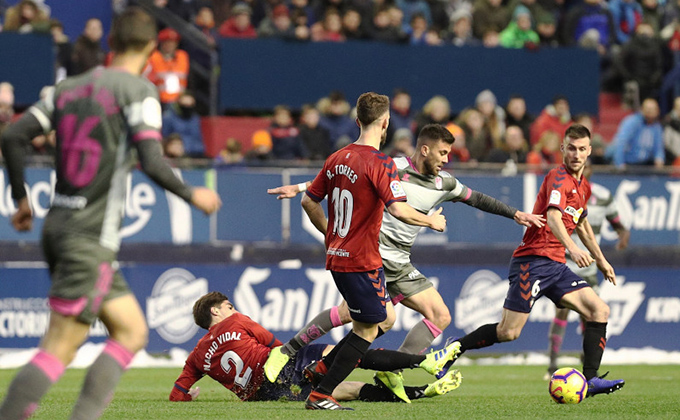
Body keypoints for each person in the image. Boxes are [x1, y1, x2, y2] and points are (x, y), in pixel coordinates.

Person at [0, 8, 222, 420]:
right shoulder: (138, 92)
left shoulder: (67, 88)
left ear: (111, 43)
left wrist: (22, 199)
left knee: (132, 331)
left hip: (59, 224)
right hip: (88, 236)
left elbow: (13, 135)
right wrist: (194, 195)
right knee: (59, 348)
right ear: (152, 48)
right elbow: (153, 162)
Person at [265, 123, 544, 403]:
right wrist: (301, 187)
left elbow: (478, 199)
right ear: (425, 149)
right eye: (443, 152)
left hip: (400, 262)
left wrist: (516, 214)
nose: (447, 159)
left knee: (439, 315)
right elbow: (345, 174)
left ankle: (389, 370)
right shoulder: (392, 165)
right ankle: (290, 350)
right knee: (359, 317)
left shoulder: (444, 183)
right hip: (372, 254)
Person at [266, 93, 452, 410]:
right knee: (368, 329)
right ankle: (321, 393)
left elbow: (309, 201)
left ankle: (320, 371)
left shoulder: (337, 157)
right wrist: (430, 220)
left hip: (338, 257)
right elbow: (399, 210)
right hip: (362, 260)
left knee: (383, 319)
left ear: (357, 121)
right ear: (386, 123)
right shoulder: (379, 162)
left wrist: (331, 235)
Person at [444, 124, 625, 398]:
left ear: (589, 152)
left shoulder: (583, 186)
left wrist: (602, 260)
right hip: (533, 261)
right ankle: (454, 348)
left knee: (598, 311)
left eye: (581, 149)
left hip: (556, 266)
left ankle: (590, 379)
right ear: (563, 148)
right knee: (508, 332)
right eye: (571, 148)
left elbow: (583, 224)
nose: (576, 154)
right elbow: (553, 217)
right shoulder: (558, 177)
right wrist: (572, 249)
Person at [169, 292, 463, 404]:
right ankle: (422, 363)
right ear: (216, 312)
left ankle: (421, 392)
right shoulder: (236, 322)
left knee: (350, 389)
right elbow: (276, 346)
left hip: (267, 395)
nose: (234, 309)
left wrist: (189, 396)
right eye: (229, 306)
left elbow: (176, 394)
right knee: (350, 355)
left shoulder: (196, 357)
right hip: (282, 366)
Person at [545, 160, 630, 379]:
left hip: (590, 268)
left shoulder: (602, 195)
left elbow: (617, 221)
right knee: (561, 311)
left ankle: (587, 363)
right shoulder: (563, 192)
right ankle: (552, 364)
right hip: (565, 263)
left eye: (588, 167)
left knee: (592, 316)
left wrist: (622, 233)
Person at [607, 97, 665, 169]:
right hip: (628, 164)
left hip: (645, 165)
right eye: (648, 109)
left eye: (653, 109)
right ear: (642, 109)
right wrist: (620, 164)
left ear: (657, 111)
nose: (650, 112)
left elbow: (658, 148)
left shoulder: (657, 127)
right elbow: (621, 143)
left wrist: (659, 159)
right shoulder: (632, 122)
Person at [146, 28, 190, 107]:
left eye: (173, 42)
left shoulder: (182, 57)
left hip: (180, 101)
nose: (170, 45)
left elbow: (190, 80)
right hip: (159, 101)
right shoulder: (154, 58)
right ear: (161, 43)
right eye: (167, 42)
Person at [161, 91, 205, 157]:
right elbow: (164, 139)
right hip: (173, 155)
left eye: (190, 105)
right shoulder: (168, 118)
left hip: (193, 154)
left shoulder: (195, 119)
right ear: (179, 103)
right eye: (185, 104)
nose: (187, 107)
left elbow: (198, 140)